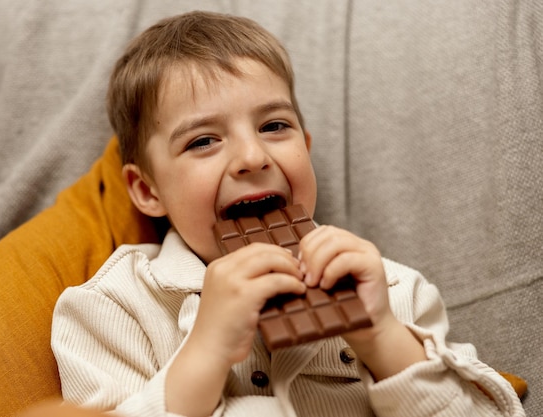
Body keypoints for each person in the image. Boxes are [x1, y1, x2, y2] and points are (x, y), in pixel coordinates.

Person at [50, 10, 524, 417]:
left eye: (274, 126)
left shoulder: (391, 290)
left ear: (306, 147)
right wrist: (205, 353)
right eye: (203, 141)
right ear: (147, 190)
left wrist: (381, 336)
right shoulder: (111, 308)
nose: (253, 157)